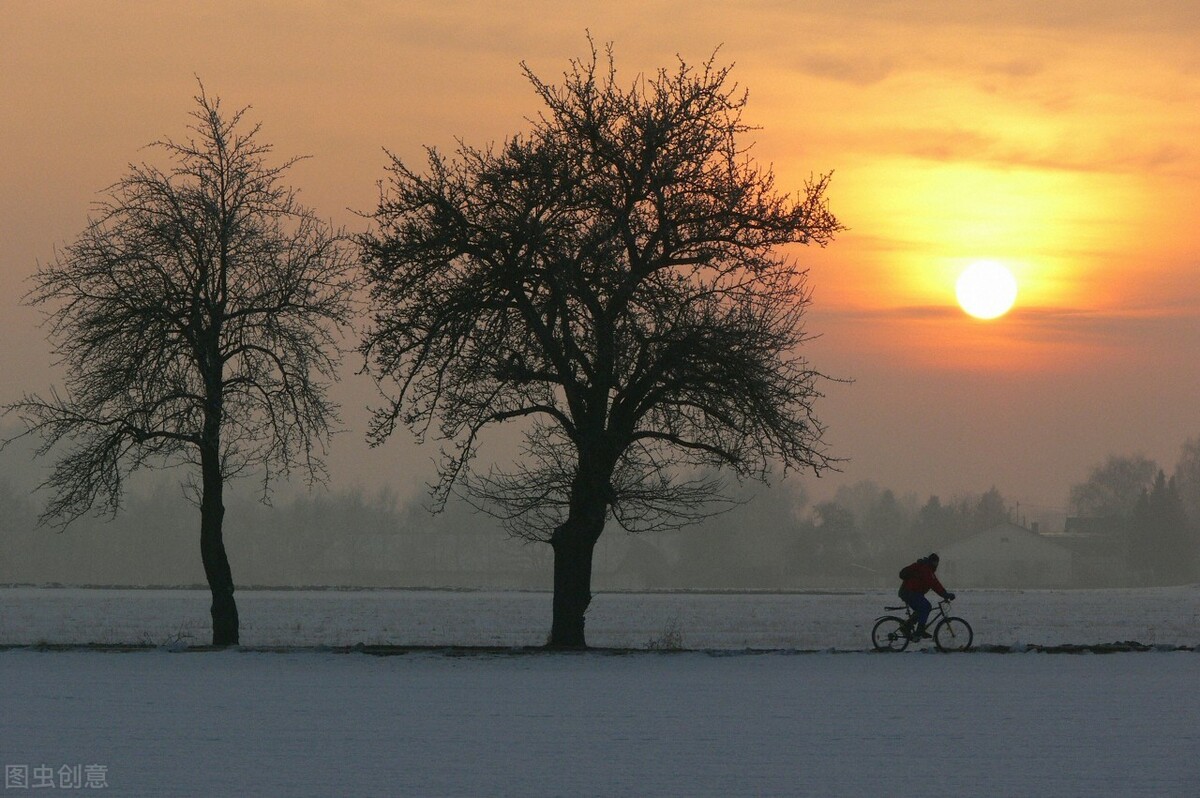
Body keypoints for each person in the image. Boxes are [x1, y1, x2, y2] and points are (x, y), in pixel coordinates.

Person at [898, 553, 955, 639]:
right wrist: (945, 594)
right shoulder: (925, 569)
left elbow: (935, 583)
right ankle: (919, 631)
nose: (936, 565)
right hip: (909, 592)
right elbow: (934, 584)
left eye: (937, 563)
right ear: (931, 562)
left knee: (921, 609)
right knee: (926, 607)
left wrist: (945, 594)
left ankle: (907, 627)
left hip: (911, 592)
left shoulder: (927, 569)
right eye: (935, 563)